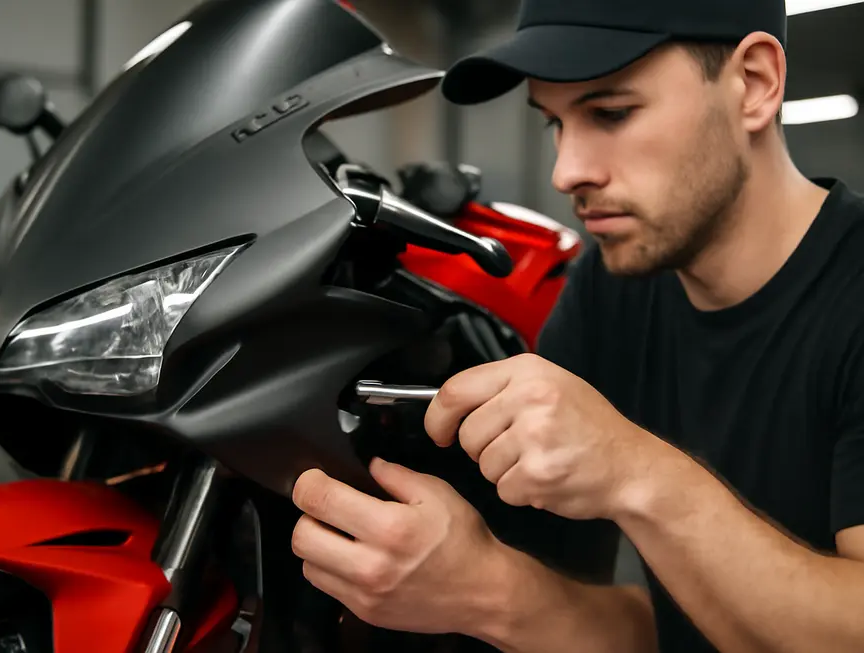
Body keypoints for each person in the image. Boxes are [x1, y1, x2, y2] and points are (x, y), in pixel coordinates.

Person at [289, 0, 864, 651]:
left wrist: (638, 471)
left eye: (610, 113)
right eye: (555, 124)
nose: (567, 172)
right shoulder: (610, 290)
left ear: (754, 83)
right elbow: (658, 634)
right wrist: (484, 586)